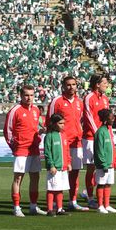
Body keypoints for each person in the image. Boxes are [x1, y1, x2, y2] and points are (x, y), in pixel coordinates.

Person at [47, 76, 88, 211]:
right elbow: (50, 120)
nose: (71, 87)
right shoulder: (57, 101)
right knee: (57, 172)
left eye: (74, 84)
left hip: (76, 142)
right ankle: (55, 203)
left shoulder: (79, 102)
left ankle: (72, 200)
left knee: (75, 172)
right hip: (61, 143)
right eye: (68, 85)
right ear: (63, 86)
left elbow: (80, 120)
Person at [5, 85, 45, 217]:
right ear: (21, 96)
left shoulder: (35, 110)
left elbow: (34, 128)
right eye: (26, 95)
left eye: (32, 95)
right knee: (18, 178)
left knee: (35, 177)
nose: (29, 98)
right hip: (21, 149)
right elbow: (7, 131)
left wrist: (40, 133)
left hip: (34, 149)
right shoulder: (15, 110)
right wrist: (14, 146)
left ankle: (33, 206)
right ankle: (16, 207)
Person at [81, 74, 110, 208]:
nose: (107, 84)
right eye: (104, 82)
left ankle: (98, 196)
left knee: (102, 166)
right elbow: (88, 117)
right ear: (97, 84)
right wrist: (98, 134)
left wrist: (107, 135)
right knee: (91, 167)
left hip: (103, 137)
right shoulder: (89, 97)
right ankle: (90, 196)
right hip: (91, 138)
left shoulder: (105, 99)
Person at [43, 114, 70, 217]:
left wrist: (68, 163)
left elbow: (66, 151)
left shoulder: (64, 135)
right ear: (54, 124)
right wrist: (51, 165)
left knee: (60, 188)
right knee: (52, 189)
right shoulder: (49, 136)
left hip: (63, 167)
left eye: (63, 123)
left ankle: (59, 208)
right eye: (60, 123)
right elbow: (47, 152)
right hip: (54, 168)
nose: (62, 125)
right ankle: (49, 209)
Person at [94, 109, 116, 214]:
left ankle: (107, 205)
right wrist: (103, 163)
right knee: (101, 184)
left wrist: (114, 161)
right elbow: (99, 150)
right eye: (111, 117)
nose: (113, 119)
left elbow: (111, 148)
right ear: (105, 119)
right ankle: (100, 205)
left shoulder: (108, 130)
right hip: (103, 165)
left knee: (108, 184)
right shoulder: (100, 132)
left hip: (110, 163)